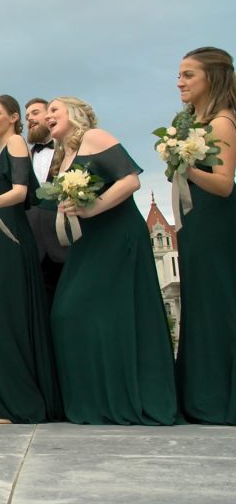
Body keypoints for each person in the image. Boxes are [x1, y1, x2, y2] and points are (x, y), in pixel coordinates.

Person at [47, 97, 178, 425]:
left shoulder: (95, 137)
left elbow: (130, 179)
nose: (48, 116)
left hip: (116, 235)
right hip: (86, 242)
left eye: (54, 110)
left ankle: (125, 398)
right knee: (68, 312)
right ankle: (96, 399)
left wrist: (93, 207)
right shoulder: (64, 155)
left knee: (110, 313)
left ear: (75, 114)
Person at [0, 95, 61, 424]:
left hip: (12, 240)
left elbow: (20, 193)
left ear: (14, 117)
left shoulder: (17, 143)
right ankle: (1, 400)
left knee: (0, 318)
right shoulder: (4, 152)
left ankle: (18, 402)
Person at [174, 46, 236, 425]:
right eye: (179, 75)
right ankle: (199, 393)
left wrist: (181, 163)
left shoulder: (222, 122)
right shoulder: (192, 123)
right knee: (197, 301)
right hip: (194, 221)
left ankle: (219, 397)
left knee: (218, 303)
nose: (179, 82)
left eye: (188, 75)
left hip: (215, 219)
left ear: (211, 78)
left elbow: (224, 184)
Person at [24, 98, 70, 308]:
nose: (30, 120)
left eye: (34, 113)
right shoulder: (22, 158)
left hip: (67, 243)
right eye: (27, 117)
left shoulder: (70, 150)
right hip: (34, 251)